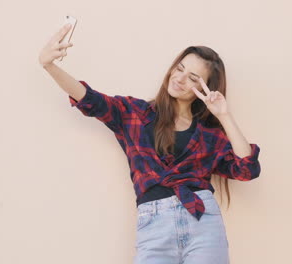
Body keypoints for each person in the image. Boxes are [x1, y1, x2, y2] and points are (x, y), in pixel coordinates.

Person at [39, 23, 261, 264]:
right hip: (154, 226)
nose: (180, 79)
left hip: (203, 223)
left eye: (193, 78)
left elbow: (246, 169)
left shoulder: (209, 133)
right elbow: (90, 100)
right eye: (180, 68)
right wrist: (49, 66)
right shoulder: (133, 113)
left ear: (205, 86)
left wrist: (224, 115)